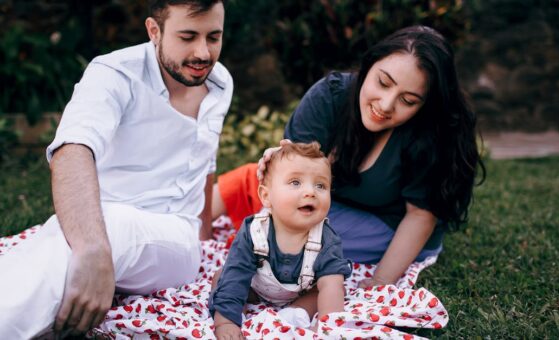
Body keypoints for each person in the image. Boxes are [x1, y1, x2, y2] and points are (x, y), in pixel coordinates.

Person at [0, 0, 231, 338]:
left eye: (214, 37)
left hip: (174, 241)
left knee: (112, 228)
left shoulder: (221, 82)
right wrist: (91, 249)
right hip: (93, 221)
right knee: (61, 243)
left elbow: (204, 162)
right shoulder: (115, 72)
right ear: (154, 30)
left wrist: (206, 237)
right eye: (187, 37)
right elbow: (73, 149)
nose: (203, 52)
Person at [212, 25, 485, 289]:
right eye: (382, 82)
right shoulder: (332, 95)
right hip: (331, 202)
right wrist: (280, 163)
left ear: (425, 104)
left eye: (408, 100)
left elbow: (419, 217)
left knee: (298, 236)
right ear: (369, 66)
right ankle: (194, 232)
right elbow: (295, 170)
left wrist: (380, 281)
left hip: (391, 225)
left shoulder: (430, 135)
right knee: (249, 178)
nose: (386, 105)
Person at [210, 142, 351, 339]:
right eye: (295, 182)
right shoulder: (254, 231)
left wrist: (327, 327)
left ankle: (295, 313)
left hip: (300, 293)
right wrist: (225, 321)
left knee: (330, 291)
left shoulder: (326, 238)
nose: (310, 192)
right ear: (266, 196)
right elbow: (237, 273)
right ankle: (233, 317)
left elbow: (331, 284)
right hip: (255, 287)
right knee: (224, 277)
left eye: (321, 185)